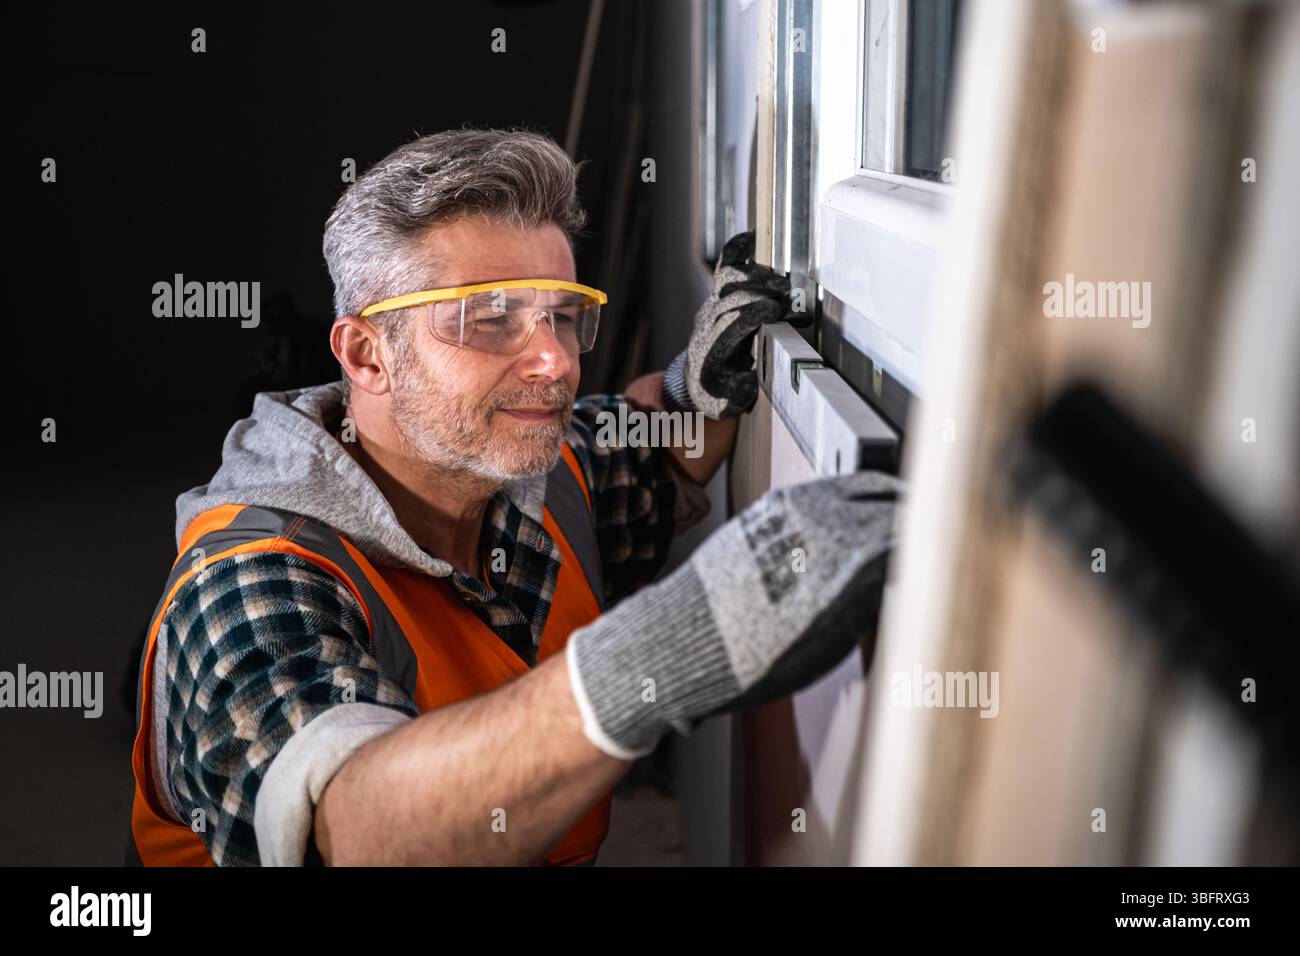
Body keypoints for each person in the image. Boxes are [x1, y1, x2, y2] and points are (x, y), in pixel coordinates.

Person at [126, 128, 901, 866]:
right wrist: (674, 648)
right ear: (367, 354)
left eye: (562, 318)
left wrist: (695, 383)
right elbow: (356, 833)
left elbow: (651, 445)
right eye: (489, 319)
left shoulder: (527, 474)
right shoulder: (248, 582)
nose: (553, 363)